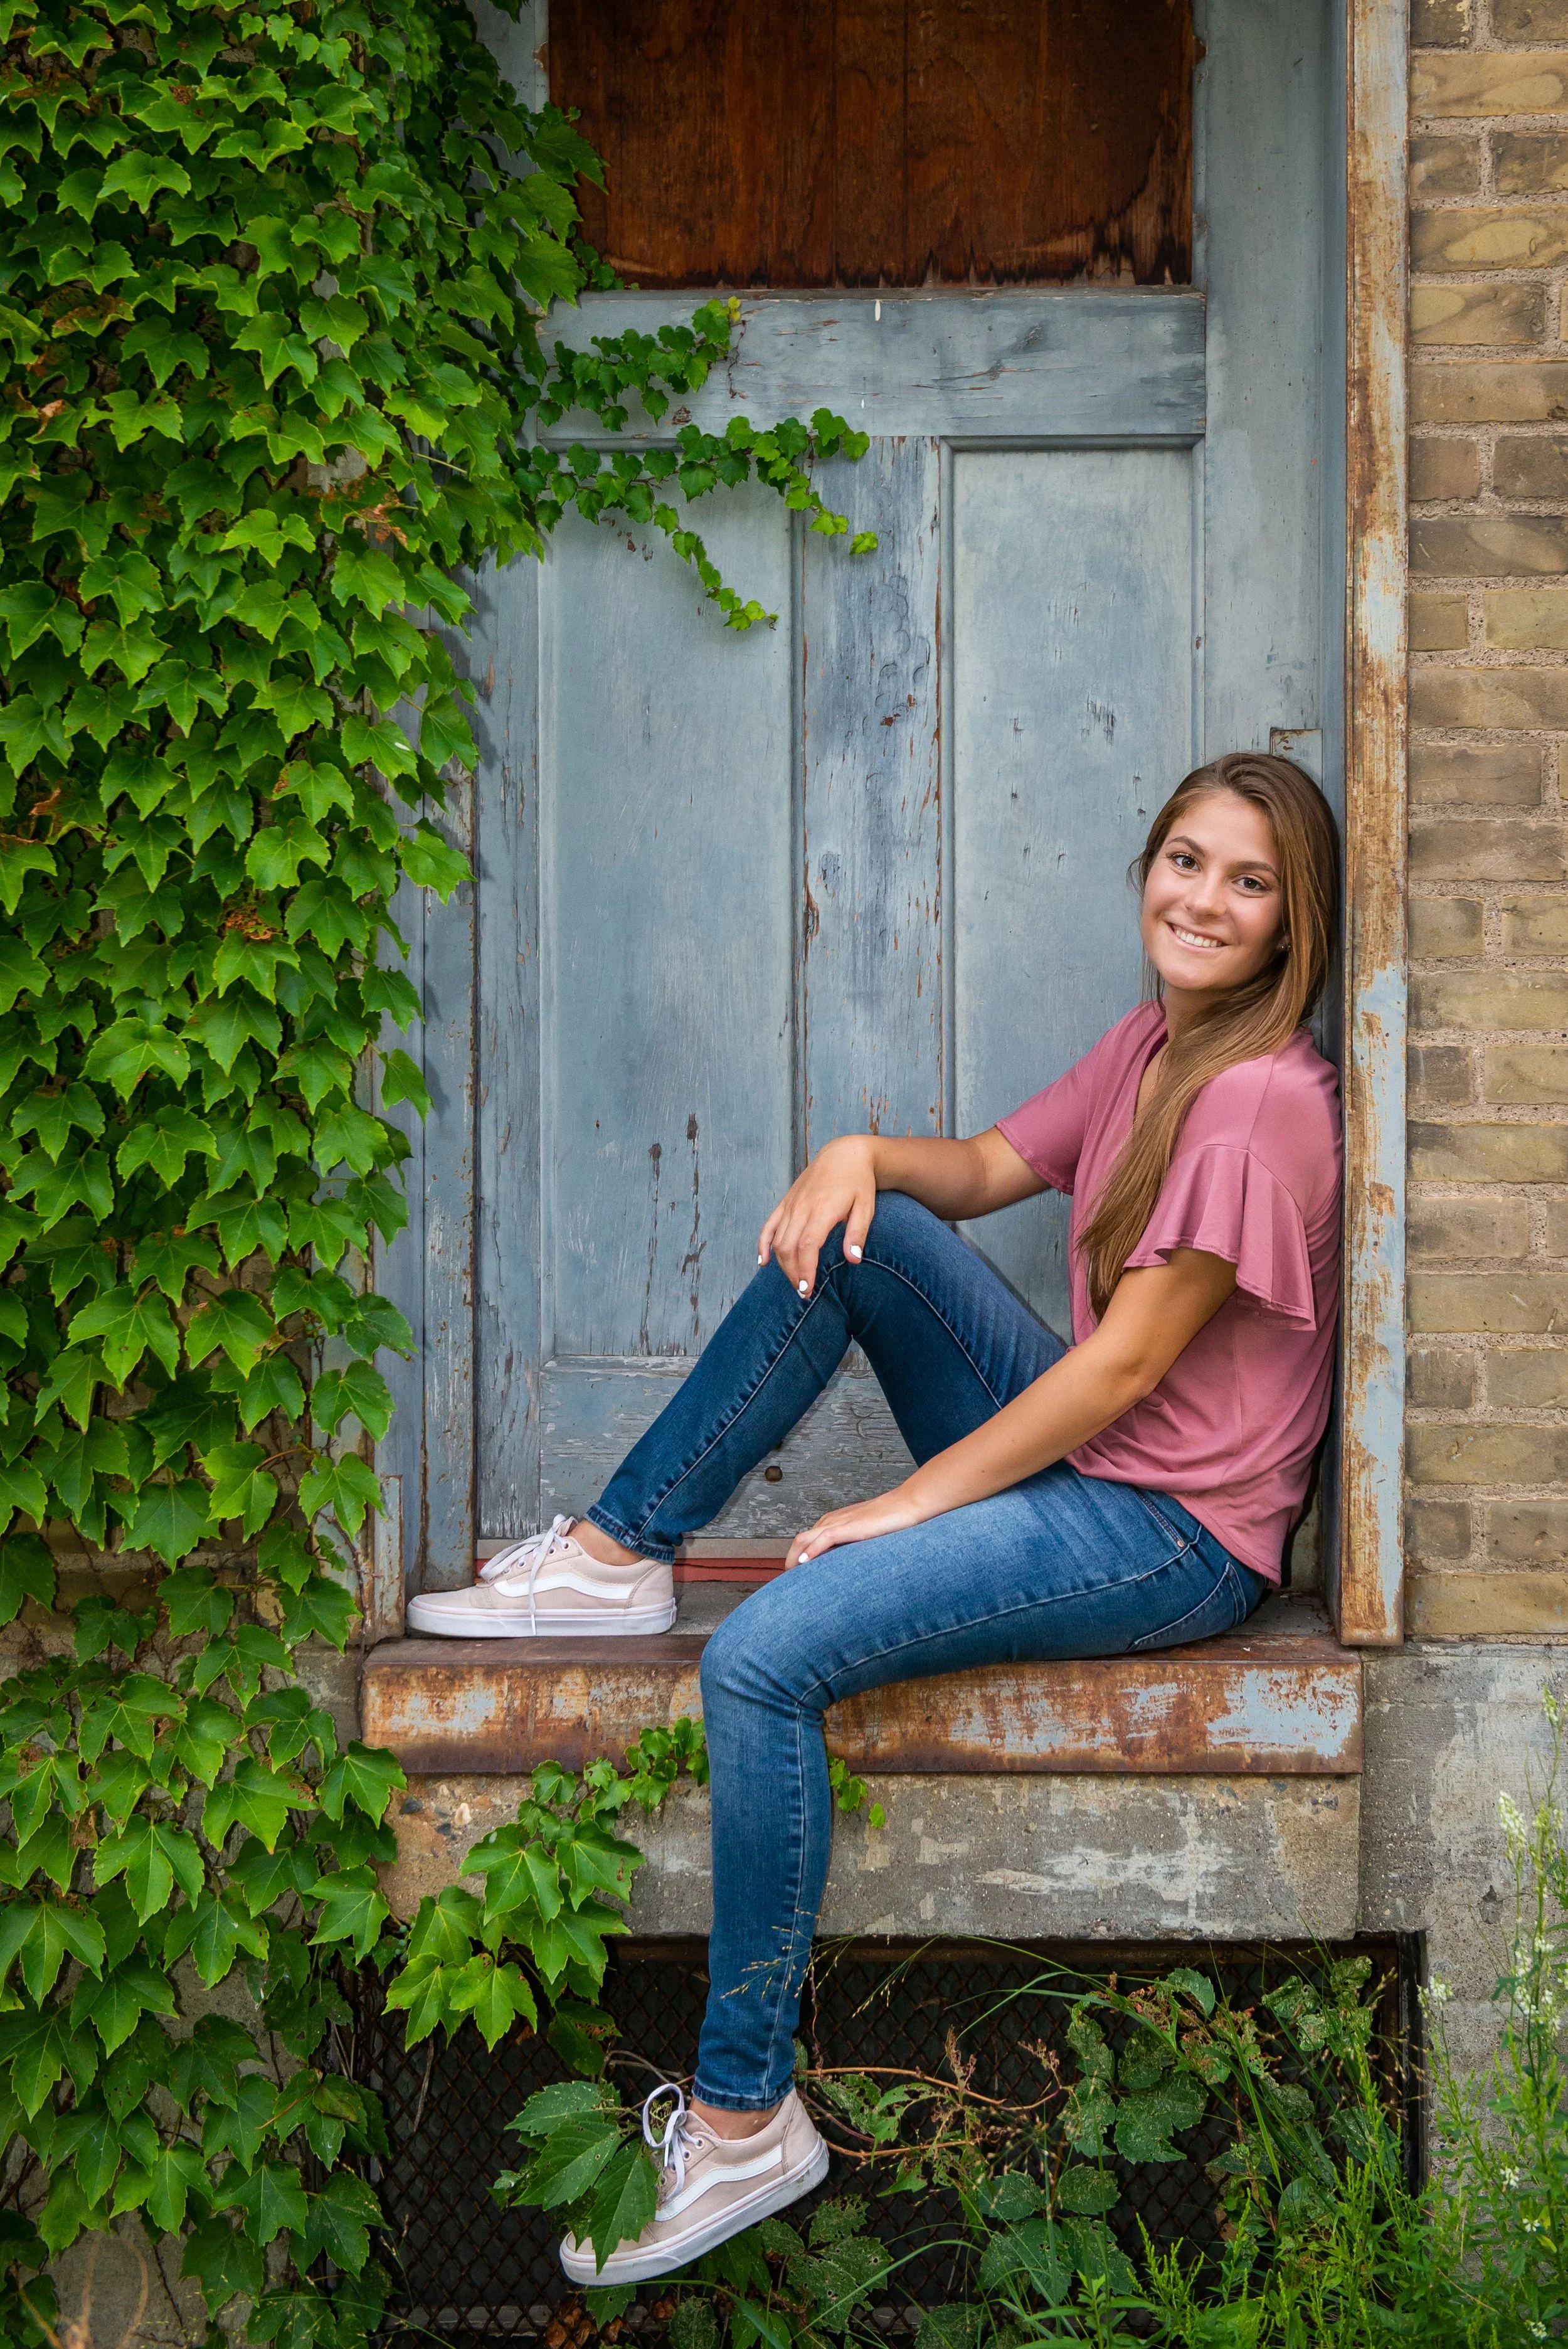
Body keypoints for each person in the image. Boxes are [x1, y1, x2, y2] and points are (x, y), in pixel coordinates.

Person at [409, 751, 1344, 2285]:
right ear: (1146, 870)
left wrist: (904, 1506)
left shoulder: (1252, 1105)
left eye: (1248, 883)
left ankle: (740, 2119)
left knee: (763, 1663)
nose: (1203, 899)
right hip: (1102, 1469)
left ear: (1289, 922)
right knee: (874, 1232)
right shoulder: (1155, 1048)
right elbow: (980, 1169)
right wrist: (856, 1149)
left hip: (1173, 1534)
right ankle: (615, 1556)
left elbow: (1118, 1373)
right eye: (1185, 860)